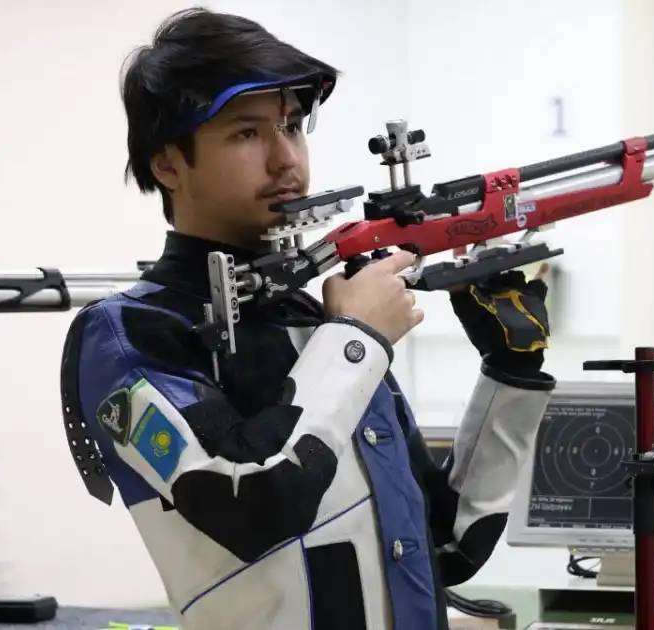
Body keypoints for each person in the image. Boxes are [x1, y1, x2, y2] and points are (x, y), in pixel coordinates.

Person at [60, 9, 553, 629]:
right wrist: (355, 341)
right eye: (246, 134)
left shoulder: (313, 322)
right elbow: (249, 506)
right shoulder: (128, 334)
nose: (285, 159)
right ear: (167, 164)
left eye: (292, 127)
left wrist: (511, 370)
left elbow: (447, 545)